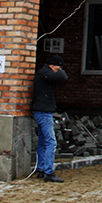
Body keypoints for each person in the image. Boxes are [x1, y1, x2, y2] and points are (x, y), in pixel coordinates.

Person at [32, 55, 68, 183]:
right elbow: (63, 77)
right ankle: (49, 172)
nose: (59, 71)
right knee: (50, 142)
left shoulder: (42, 74)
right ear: (52, 66)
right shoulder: (45, 73)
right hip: (44, 112)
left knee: (42, 141)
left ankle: (41, 169)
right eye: (58, 68)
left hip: (40, 111)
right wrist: (61, 71)